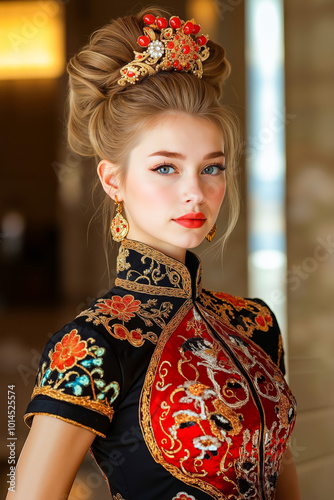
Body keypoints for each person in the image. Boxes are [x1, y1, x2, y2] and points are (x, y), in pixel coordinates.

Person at [7, 7, 301, 500]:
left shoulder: (256, 326)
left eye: (212, 168)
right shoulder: (94, 344)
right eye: (166, 168)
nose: (196, 192)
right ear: (112, 180)